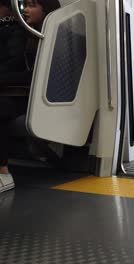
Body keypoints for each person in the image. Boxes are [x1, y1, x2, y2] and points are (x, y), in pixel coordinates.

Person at [0, 0, 61, 194]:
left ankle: (3, 173)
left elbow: (36, 75)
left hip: (38, 97)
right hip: (23, 92)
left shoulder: (55, 37)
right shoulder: (26, 34)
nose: (25, 10)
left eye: (32, 6)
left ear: (47, 9)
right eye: (25, 5)